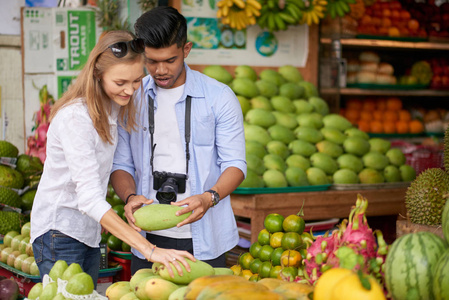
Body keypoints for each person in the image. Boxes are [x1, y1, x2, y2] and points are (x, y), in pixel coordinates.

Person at [30, 30, 195, 287]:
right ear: (98, 74)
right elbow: (89, 197)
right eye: (121, 83)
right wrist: (150, 250)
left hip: (89, 232)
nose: (130, 90)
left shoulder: (113, 108)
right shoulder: (76, 118)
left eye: (137, 81)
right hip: (58, 233)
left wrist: (129, 198)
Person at [110, 6, 247, 274]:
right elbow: (120, 164)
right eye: (151, 61)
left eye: (170, 60)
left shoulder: (219, 97)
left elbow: (236, 164)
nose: (160, 70)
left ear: (186, 50)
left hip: (206, 238)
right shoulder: (131, 97)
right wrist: (129, 197)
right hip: (146, 238)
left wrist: (209, 198)